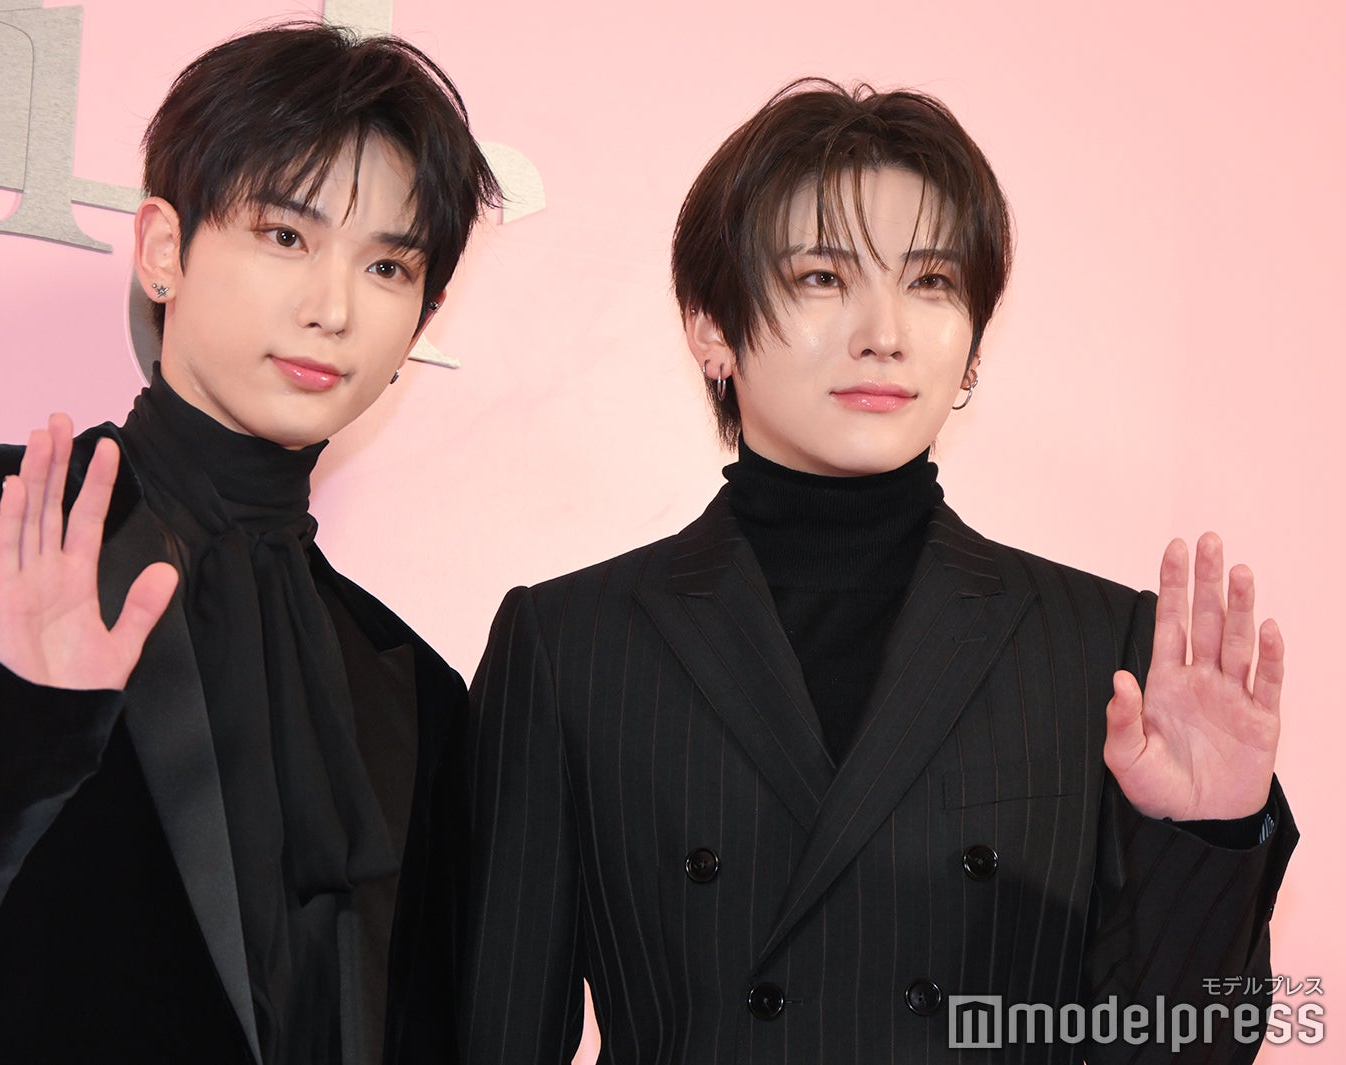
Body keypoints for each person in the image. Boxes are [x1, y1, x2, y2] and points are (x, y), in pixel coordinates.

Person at [459, 80, 1296, 1064]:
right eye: (822, 275)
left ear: (973, 345)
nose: (884, 332)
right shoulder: (571, 646)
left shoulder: (1103, 649)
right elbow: (496, 1032)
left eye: (931, 282)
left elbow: (1179, 1047)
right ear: (711, 326)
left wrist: (1209, 838)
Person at [0, 21, 498, 1065]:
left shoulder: (415, 686)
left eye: (386, 266)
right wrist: (19, 717)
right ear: (162, 250)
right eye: (285, 236)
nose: (333, 308)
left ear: (420, 317)